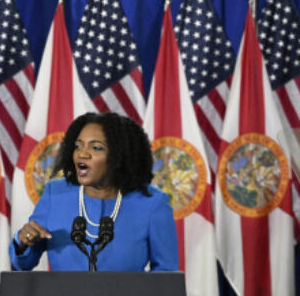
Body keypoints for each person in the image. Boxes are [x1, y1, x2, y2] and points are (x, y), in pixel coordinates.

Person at [10, 112, 179, 272]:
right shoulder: (55, 195)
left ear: (119, 156)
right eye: (78, 146)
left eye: (96, 148)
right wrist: (22, 242)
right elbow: (23, 264)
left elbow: (165, 277)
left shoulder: (152, 203)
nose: (82, 154)